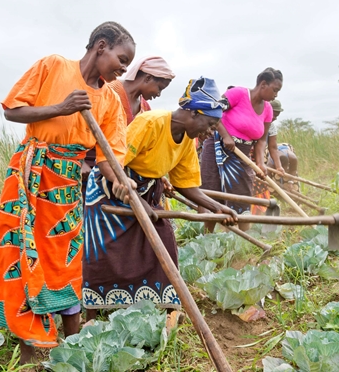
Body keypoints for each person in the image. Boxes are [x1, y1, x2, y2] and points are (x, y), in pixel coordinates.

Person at [0, 21, 136, 364]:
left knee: (65, 258)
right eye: (121, 59)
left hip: (66, 184)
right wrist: (60, 108)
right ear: (101, 46)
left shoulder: (110, 97)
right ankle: (29, 345)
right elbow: (11, 110)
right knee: (23, 254)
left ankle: (72, 344)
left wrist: (121, 182)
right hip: (30, 176)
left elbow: (109, 156)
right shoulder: (53, 67)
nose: (124, 68)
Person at [82, 77, 238, 321]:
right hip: (109, 187)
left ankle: (167, 310)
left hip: (143, 191)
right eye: (209, 125)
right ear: (194, 113)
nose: (210, 133)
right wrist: (134, 198)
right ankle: (91, 314)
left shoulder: (188, 140)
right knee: (106, 252)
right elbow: (112, 161)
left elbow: (186, 185)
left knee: (163, 238)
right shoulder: (150, 122)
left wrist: (219, 208)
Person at [199, 68, 283, 232]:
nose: (276, 95)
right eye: (275, 90)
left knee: (243, 195)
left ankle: (246, 239)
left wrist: (260, 163)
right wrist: (225, 135)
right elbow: (214, 111)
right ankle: (207, 237)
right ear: (263, 84)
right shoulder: (237, 94)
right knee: (212, 190)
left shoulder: (268, 110)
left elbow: (261, 141)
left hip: (242, 153)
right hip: (218, 146)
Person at [81, 56, 175, 190]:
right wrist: (81, 161)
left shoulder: (145, 108)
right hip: (88, 164)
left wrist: (157, 177)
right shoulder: (109, 89)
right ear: (147, 78)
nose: (159, 94)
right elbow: (80, 124)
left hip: (116, 171)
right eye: (159, 88)